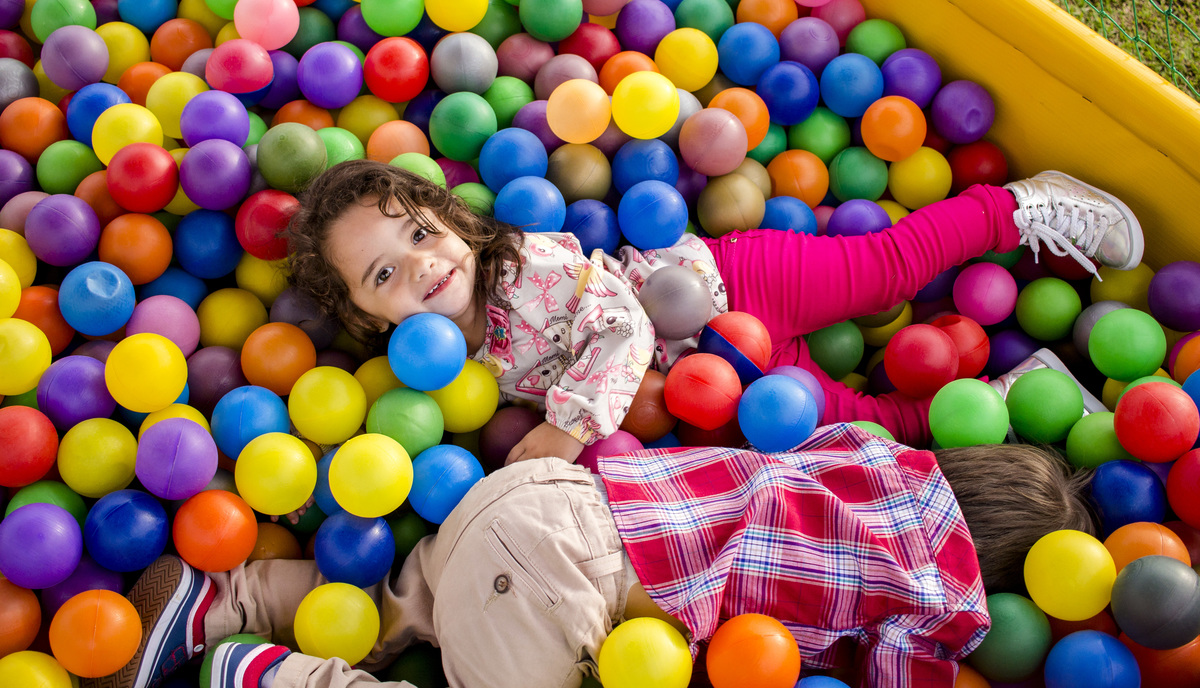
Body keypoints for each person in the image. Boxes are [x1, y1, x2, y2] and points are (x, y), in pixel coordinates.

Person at [86, 422, 1098, 688]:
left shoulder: (869, 454)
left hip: (559, 498)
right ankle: (265, 669)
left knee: (419, 598)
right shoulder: (945, 589)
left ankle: (236, 592)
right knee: (476, 626)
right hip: (578, 582)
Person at [285, 160, 1143, 456]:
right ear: (369, 316)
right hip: (724, 388)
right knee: (870, 428)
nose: (421, 269)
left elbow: (620, 322)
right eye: (384, 276)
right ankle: (1024, 394)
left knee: (885, 271)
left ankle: (1019, 207)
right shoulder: (437, 365)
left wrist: (572, 425)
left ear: (457, 224)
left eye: (420, 237)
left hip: (735, 288)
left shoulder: (525, 265)